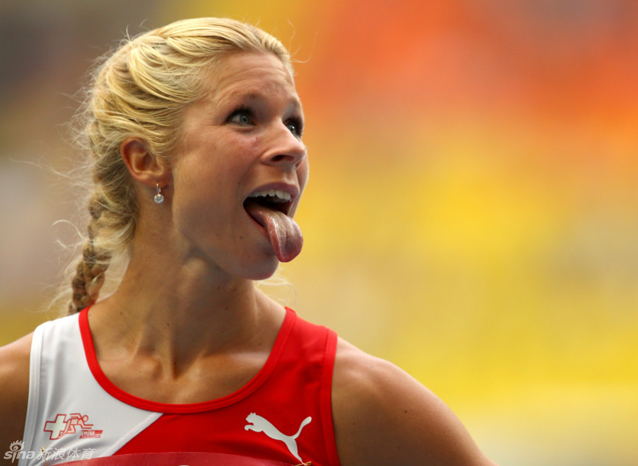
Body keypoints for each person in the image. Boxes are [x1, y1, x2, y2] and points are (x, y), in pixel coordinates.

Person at [0, 17, 496, 466]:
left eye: (293, 123)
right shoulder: (23, 390)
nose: (294, 146)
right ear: (146, 160)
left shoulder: (353, 398)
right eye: (244, 117)